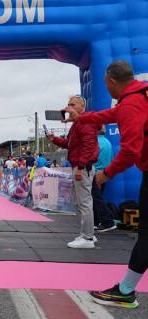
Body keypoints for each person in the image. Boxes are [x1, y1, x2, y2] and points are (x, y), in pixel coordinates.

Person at [65, 61, 148, 309]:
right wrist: (82, 118)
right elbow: (109, 115)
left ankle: (125, 291)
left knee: (145, 236)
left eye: (105, 84)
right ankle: (125, 289)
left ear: (111, 82)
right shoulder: (139, 95)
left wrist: (106, 174)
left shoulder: (131, 104)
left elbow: (131, 150)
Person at [47, 95, 99, 249]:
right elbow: (70, 144)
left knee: (84, 203)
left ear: (82, 107)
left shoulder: (85, 123)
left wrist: (81, 167)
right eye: (68, 104)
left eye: (72, 104)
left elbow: (88, 147)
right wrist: (54, 139)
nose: (68, 107)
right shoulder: (77, 124)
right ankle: (87, 234)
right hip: (79, 166)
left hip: (82, 167)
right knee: (81, 202)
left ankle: (88, 237)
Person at [92, 126, 116, 232]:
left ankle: (108, 222)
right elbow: (112, 159)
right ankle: (96, 222)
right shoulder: (108, 142)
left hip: (95, 173)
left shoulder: (95, 142)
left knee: (96, 199)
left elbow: (92, 158)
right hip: (105, 173)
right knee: (98, 198)